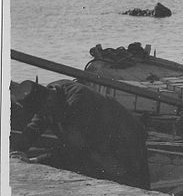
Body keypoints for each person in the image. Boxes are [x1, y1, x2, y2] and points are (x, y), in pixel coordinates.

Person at [10, 79, 150, 189]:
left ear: (49, 101)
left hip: (124, 136)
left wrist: (36, 160)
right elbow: (35, 127)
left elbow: (74, 149)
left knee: (133, 182)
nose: (43, 115)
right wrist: (17, 150)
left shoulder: (78, 102)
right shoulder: (48, 94)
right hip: (98, 141)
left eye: (43, 111)